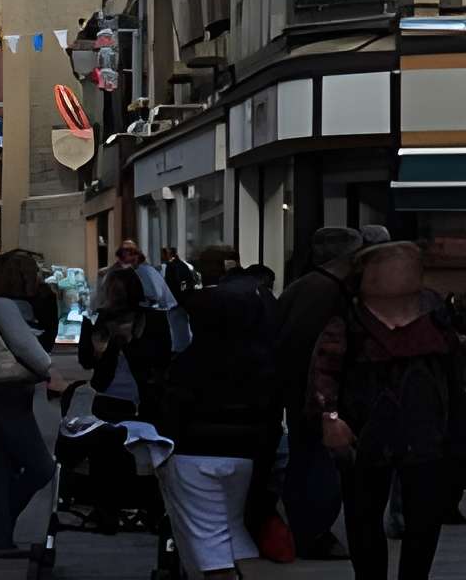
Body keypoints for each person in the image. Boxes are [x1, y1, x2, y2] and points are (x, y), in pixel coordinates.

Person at [309, 239, 466, 580]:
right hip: (365, 431)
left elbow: (453, 374)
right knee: (364, 517)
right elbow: (325, 370)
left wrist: (459, 419)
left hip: (425, 430)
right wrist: (331, 417)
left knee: (423, 519)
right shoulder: (348, 319)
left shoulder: (435, 316)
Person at [158, 245, 278, 578]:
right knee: (232, 529)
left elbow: (175, 403)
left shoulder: (191, 362)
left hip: (197, 449)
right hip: (247, 446)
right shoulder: (259, 354)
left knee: (210, 537)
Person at [274, 225, 363, 557]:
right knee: (317, 462)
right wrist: (327, 404)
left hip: (303, 393)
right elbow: (313, 351)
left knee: (309, 459)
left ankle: (310, 529)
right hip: (314, 396)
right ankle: (313, 532)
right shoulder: (325, 293)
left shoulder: (306, 287)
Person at [0, 248, 63, 559]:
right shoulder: (5, 307)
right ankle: (0, 526)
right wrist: (51, 372)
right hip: (9, 395)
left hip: (4, 394)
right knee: (41, 467)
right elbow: (26, 346)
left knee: (6, 466)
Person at [76, 265, 173, 532]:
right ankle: (112, 508)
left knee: (139, 452)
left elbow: (162, 357)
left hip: (139, 395)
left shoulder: (150, 320)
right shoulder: (99, 319)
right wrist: (102, 346)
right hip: (113, 395)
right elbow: (86, 359)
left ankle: (141, 507)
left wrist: (125, 342)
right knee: (111, 452)